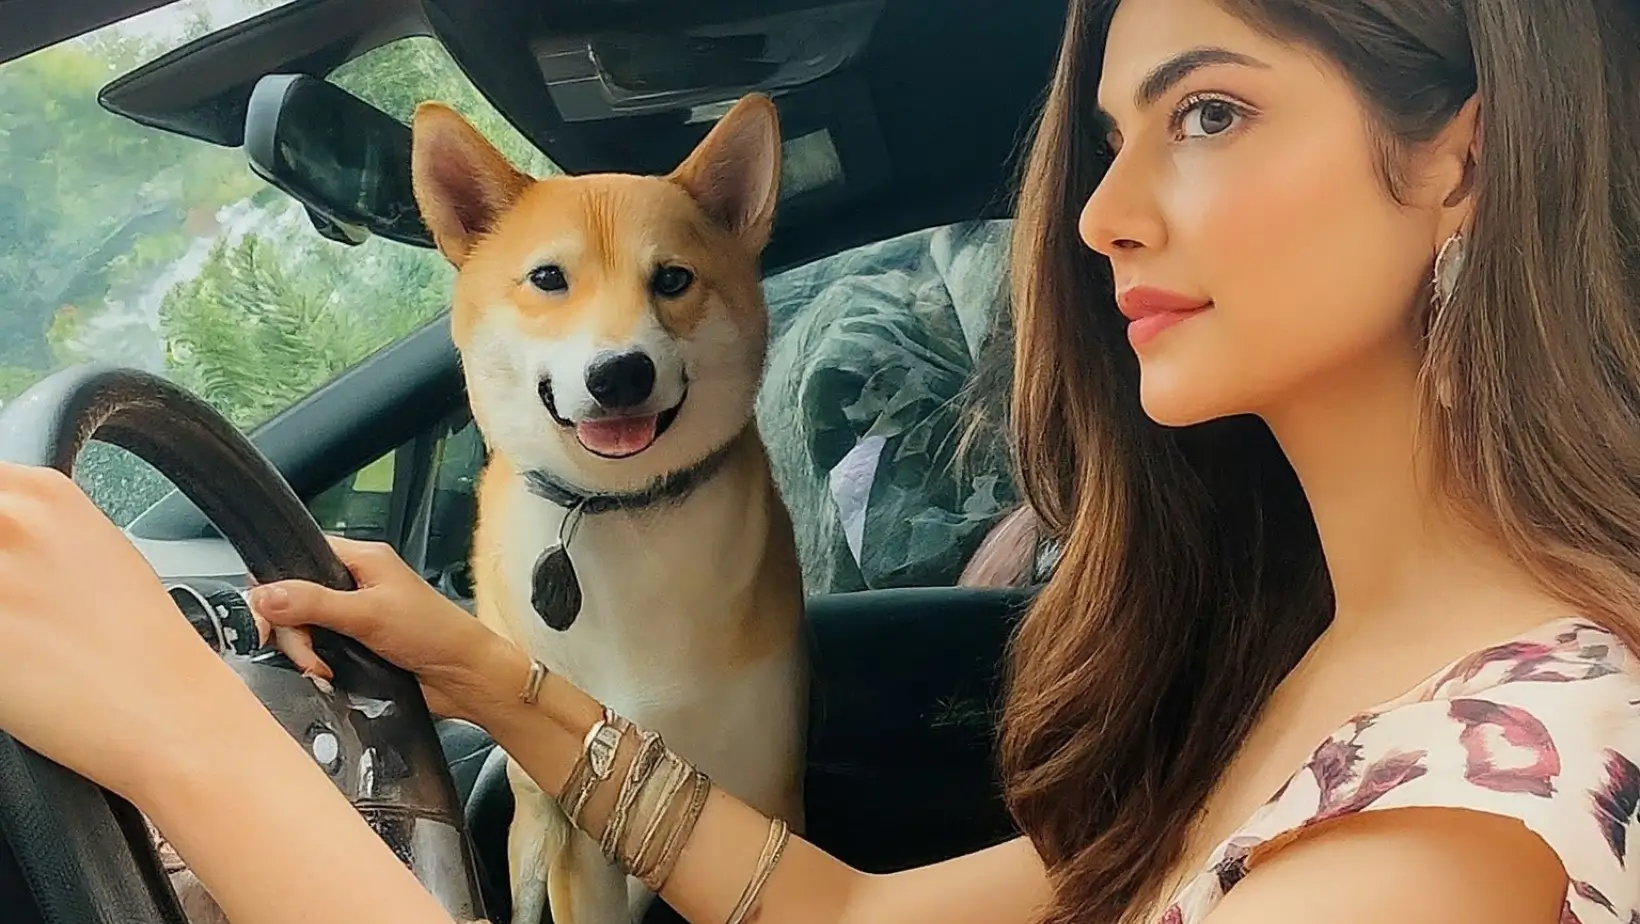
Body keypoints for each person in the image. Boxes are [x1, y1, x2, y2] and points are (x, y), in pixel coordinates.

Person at [3, 0, 1640, 921]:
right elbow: (845, 919)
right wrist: (489, 681)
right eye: (1114, 135)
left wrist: (193, 752)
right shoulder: (1331, 667)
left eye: (1207, 112)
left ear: (1461, 159)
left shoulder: (1453, 831)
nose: (1097, 213)